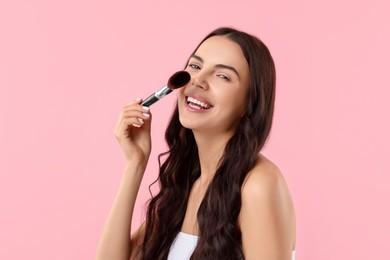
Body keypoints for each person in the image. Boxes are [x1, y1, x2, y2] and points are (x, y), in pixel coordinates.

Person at [96, 27, 296, 260]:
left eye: (223, 76)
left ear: (249, 103)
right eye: (195, 66)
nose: (199, 80)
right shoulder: (188, 184)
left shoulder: (258, 184)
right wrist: (135, 164)